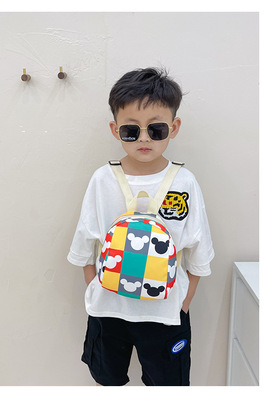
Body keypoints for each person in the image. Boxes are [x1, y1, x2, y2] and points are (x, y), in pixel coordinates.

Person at [67, 67, 214, 386]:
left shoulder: (184, 182)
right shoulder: (103, 179)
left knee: (167, 384)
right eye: (131, 130)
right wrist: (94, 289)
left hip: (167, 312)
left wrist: (184, 302)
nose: (144, 138)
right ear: (115, 129)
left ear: (174, 127)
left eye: (156, 129)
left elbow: (198, 247)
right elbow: (84, 244)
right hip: (108, 309)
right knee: (107, 380)